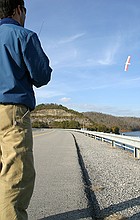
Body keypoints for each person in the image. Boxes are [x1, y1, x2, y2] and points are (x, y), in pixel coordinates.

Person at [0, 0, 52, 219]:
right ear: (18, 10)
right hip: (12, 114)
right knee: (15, 176)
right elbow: (42, 76)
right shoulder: (24, 36)